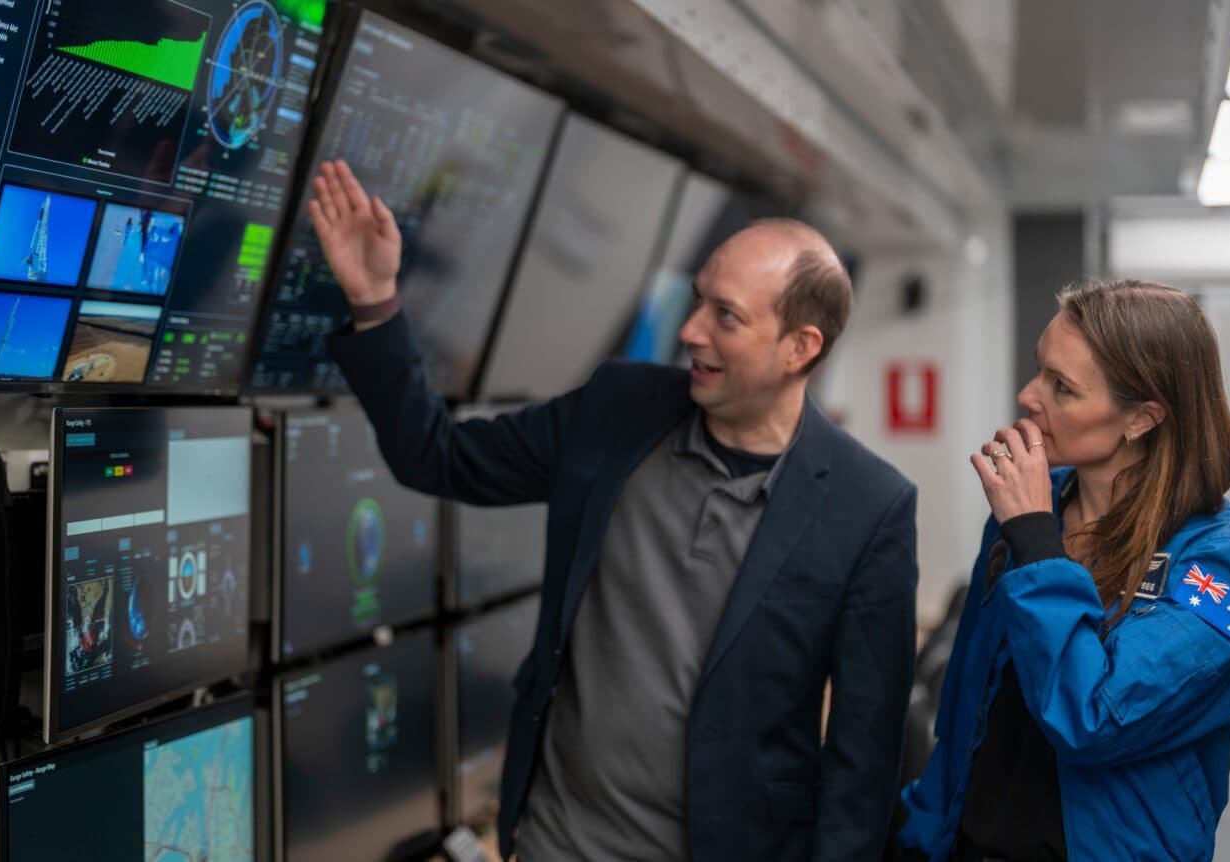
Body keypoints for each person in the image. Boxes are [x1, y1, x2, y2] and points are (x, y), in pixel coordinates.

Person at [309, 159, 919, 861]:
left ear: (799, 349)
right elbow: (437, 457)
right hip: (555, 843)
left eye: (727, 316)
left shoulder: (869, 507)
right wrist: (377, 300)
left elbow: (863, 757)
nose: (691, 330)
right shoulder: (617, 408)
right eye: (698, 300)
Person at [891, 280, 1230, 862]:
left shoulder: (1223, 559)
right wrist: (922, 832)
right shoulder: (1031, 512)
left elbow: (1094, 717)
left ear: (1142, 418)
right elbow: (966, 695)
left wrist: (1038, 542)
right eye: (1039, 370)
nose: (1027, 395)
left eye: (1061, 388)